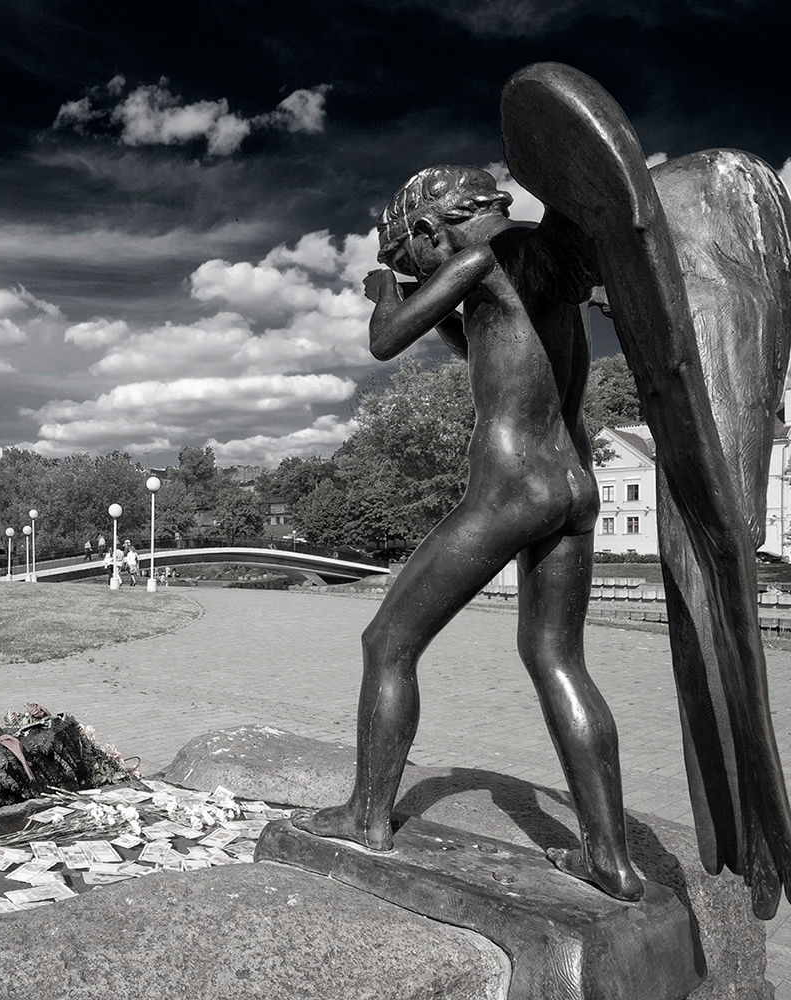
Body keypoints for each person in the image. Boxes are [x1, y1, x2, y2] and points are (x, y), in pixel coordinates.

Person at [294, 165, 643, 902]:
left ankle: (367, 814)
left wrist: (386, 293)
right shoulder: (540, 264)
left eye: (410, 256)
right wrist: (438, 302)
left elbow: (386, 339)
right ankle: (610, 858)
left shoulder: (480, 257)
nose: (417, 271)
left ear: (429, 229)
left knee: (388, 642)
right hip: (573, 484)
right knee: (557, 658)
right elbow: (487, 340)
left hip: (512, 484)